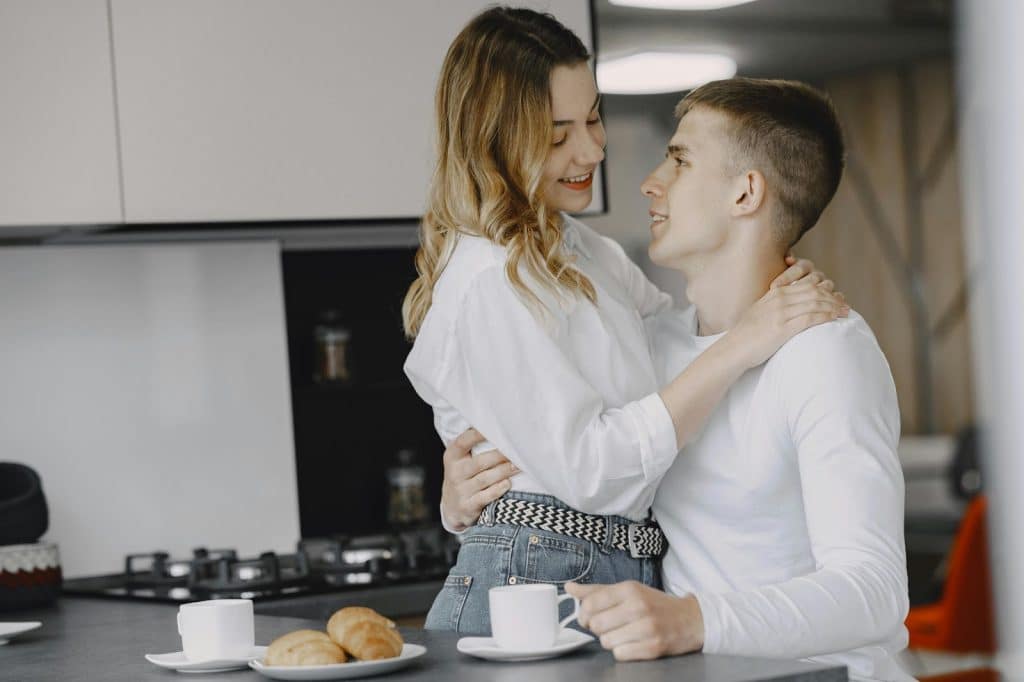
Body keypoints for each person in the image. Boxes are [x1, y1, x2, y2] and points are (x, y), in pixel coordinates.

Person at [442, 78, 914, 681]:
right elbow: (580, 460)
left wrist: (694, 620)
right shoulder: (650, 345)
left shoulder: (825, 351)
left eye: (681, 160)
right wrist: (467, 500)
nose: (650, 182)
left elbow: (874, 592)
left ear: (745, 193)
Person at [402, 7, 845, 636]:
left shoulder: (589, 252)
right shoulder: (487, 280)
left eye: (593, 117)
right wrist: (750, 337)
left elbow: (680, 347)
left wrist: (771, 296)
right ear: (494, 142)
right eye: (557, 135)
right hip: (535, 574)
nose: (593, 149)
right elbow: (590, 471)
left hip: (606, 566)